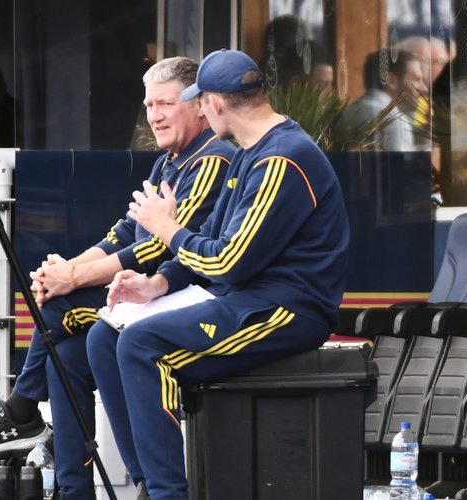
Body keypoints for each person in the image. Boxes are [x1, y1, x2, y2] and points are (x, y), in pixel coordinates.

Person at [86, 49, 349, 499]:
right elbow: (211, 237)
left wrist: (167, 229)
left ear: (216, 104)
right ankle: (148, 483)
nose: (201, 111)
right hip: (242, 298)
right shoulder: (252, 151)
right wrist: (158, 283)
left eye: (200, 101)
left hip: (287, 310)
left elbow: (227, 261)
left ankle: (168, 494)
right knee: (105, 337)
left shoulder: (281, 159)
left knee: (142, 344)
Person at [0, 56, 234, 499]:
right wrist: (65, 270)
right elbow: (123, 234)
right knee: (66, 357)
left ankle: (23, 413)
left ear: (199, 106)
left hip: (186, 297)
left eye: (165, 104)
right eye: (148, 105)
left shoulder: (213, 158)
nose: (154, 115)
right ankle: (73, 489)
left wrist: (71, 280)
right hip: (141, 296)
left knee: (59, 308)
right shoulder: (169, 162)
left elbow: (158, 249)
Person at [338, 49, 427, 151]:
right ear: (392, 81)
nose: (424, 89)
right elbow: (399, 161)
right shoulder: (394, 120)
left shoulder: (345, 114)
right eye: (416, 79)